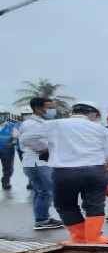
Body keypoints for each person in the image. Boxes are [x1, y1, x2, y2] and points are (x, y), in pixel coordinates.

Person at [21, 101, 108, 244]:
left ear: (73, 112)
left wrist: (47, 148)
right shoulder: (100, 128)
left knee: (65, 205)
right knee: (94, 204)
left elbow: (25, 138)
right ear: (93, 114)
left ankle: (79, 238)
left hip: (64, 172)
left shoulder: (56, 124)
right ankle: (94, 239)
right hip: (94, 171)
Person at [18, 98, 63, 230]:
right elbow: (30, 141)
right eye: (49, 107)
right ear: (38, 108)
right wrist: (47, 147)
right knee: (46, 192)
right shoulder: (31, 124)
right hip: (38, 161)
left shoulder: (41, 122)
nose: (52, 110)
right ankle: (42, 219)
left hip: (36, 162)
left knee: (41, 191)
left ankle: (41, 217)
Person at [0, 107, 19, 190]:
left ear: (5, 115)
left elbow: (16, 137)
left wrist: (12, 143)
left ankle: (6, 182)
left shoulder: (11, 126)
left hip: (7, 151)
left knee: (8, 167)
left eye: (1, 114)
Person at [16, 107, 34, 189]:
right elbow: (16, 136)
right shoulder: (17, 125)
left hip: (32, 149)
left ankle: (31, 181)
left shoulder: (35, 124)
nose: (27, 116)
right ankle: (30, 179)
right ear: (21, 116)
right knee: (26, 165)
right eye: (25, 115)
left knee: (33, 165)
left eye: (29, 115)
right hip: (21, 149)